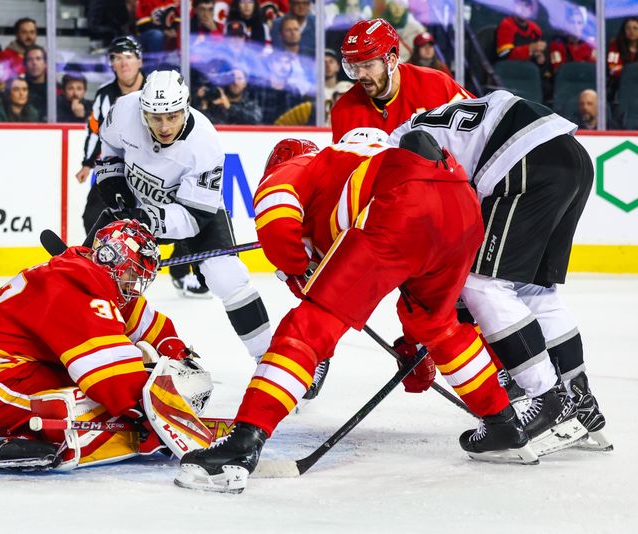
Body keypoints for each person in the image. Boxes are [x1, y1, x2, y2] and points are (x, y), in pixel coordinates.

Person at [175, 132, 539, 493]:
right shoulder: (360, 161)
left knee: (306, 330)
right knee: (438, 324)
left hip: (401, 205)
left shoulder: (304, 163)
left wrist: (297, 269)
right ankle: (502, 423)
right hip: (461, 205)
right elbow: (407, 257)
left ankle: (242, 445)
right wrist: (413, 348)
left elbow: (275, 217)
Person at [389, 90, 610, 453]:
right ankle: (580, 401)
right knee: (533, 290)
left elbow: (443, 205)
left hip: (525, 160)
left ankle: (546, 400)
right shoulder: (428, 122)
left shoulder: (393, 153)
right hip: (570, 156)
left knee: (480, 283)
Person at [0, 219, 210, 470]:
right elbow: (113, 380)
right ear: (111, 260)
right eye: (132, 275)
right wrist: (152, 408)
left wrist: (177, 351)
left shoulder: (88, 277)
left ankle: (40, 430)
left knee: (93, 388)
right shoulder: (76, 288)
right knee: (94, 402)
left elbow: (144, 322)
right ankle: (47, 434)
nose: (134, 285)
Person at [86, 70, 271, 361]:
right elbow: (108, 142)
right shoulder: (125, 109)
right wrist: (110, 173)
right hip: (135, 204)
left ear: (185, 108)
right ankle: (82, 347)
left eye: (172, 116)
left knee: (227, 277)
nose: (164, 126)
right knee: (92, 271)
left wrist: (147, 219)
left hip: (191, 210)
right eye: (155, 117)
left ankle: (272, 360)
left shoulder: (205, 144)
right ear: (142, 110)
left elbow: (193, 217)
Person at [330, 18, 472, 142]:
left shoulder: (437, 85)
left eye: (368, 65)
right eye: (355, 67)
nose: (360, 75)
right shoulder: (343, 111)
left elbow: (479, 128)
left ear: (391, 61)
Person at [77, 36, 146, 235]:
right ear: (112, 64)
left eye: (129, 56)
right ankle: (104, 260)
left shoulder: (156, 88)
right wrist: (87, 163)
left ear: (139, 61)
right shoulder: (104, 94)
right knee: (93, 216)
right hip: (118, 166)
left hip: (155, 166)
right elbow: (95, 131)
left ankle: (181, 265)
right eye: (116, 58)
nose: (123, 63)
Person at [0, 17, 38, 82]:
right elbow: (0, 83)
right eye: (24, 32)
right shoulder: (5, 56)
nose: (29, 36)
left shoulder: (41, 55)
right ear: (17, 34)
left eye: (32, 32)